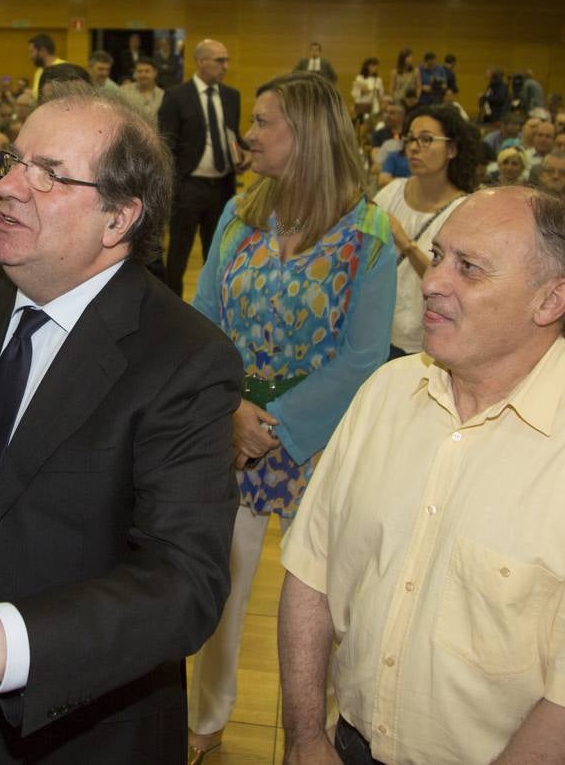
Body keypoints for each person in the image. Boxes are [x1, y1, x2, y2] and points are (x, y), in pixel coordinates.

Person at [0, 82, 242, 762]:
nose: (8, 187)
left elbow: (185, 581)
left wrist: (3, 643)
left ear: (117, 218)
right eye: (12, 161)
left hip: (73, 727)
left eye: (50, 175)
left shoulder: (184, 359)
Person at [278, 187, 565, 765]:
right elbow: (311, 577)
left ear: (550, 300)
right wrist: (307, 737)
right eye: (438, 256)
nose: (433, 282)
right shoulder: (387, 393)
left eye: (469, 268)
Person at [185, 71, 394, 762]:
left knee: (323, 609)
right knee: (217, 591)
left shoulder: (368, 231)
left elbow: (364, 358)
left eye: (265, 122)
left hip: (321, 444)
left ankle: (315, 736)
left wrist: (273, 426)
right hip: (229, 431)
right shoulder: (238, 213)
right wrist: (231, 411)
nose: (249, 135)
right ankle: (206, 716)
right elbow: (205, 318)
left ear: (305, 135)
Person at [375, 104, 479, 357]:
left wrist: (406, 244)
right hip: (377, 331)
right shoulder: (391, 192)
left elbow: (455, 283)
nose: (413, 147)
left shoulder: (466, 209)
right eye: (410, 139)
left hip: (425, 342)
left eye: (426, 140)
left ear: (452, 149)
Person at [159, 38, 243, 297]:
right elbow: (165, 144)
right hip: (188, 187)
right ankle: (171, 307)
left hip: (222, 187)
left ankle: (213, 306)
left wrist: (242, 155)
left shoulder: (231, 96)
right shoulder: (176, 97)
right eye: (220, 60)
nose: (225, 66)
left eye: (227, 60)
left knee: (217, 252)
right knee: (178, 254)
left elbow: (232, 136)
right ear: (200, 62)